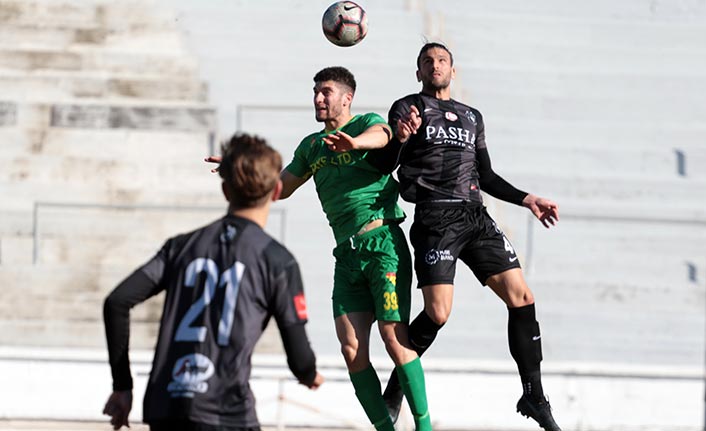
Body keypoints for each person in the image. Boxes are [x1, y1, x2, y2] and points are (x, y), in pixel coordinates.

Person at [328, 43, 562, 431]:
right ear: (418, 72)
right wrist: (401, 138)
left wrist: (528, 199)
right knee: (438, 313)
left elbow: (485, 175)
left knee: (523, 297)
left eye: (441, 61)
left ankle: (534, 395)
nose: (434, 66)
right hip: (436, 217)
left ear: (453, 71)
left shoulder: (472, 117)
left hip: (475, 214)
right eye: (426, 62)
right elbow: (386, 166)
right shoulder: (408, 108)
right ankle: (397, 386)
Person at [102, 133, 324, 431]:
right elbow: (299, 358)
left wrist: (123, 385)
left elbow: (117, 302)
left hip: (165, 407)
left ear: (224, 190)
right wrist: (309, 374)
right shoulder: (277, 260)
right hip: (226, 411)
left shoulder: (180, 246)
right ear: (276, 191)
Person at [254, 66, 432, 431]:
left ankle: (425, 427)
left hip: (382, 243)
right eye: (316, 91)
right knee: (351, 350)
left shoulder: (365, 123)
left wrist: (354, 143)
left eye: (326, 92)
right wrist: (242, 173)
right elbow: (281, 187)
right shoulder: (311, 146)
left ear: (347, 98)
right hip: (346, 255)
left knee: (393, 339)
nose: (319, 98)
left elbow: (382, 136)